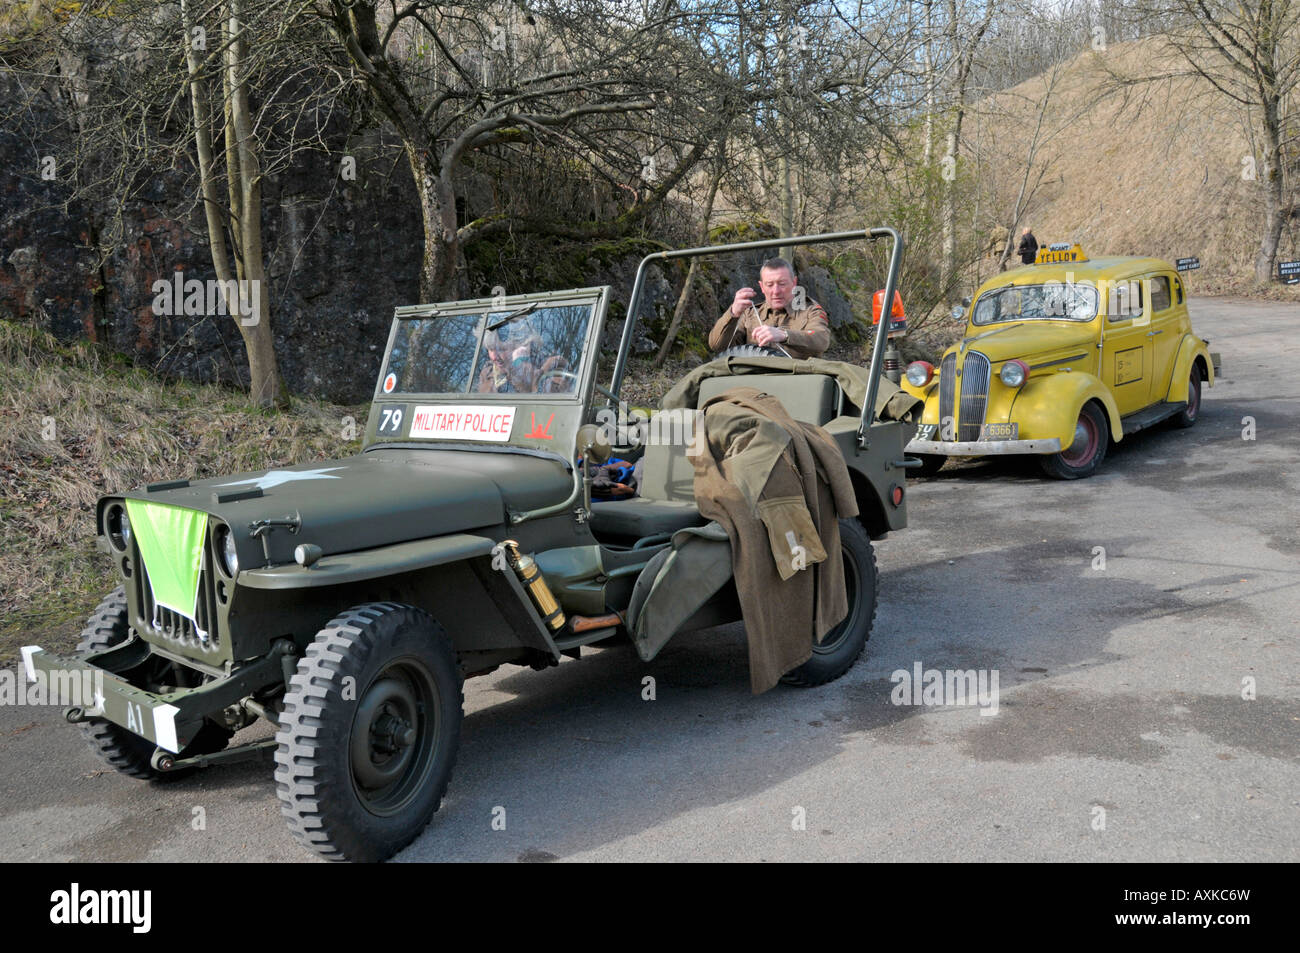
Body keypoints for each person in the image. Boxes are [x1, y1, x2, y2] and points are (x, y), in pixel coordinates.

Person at [708, 257, 830, 359]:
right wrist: (733, 313)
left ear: (794, 283)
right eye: (769, 285)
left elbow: (821, 340)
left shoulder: (810, 311)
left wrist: (784, 335)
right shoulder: (750, 314)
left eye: (782, 284)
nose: (775, 291)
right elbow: (717, 346)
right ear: (761, 287)